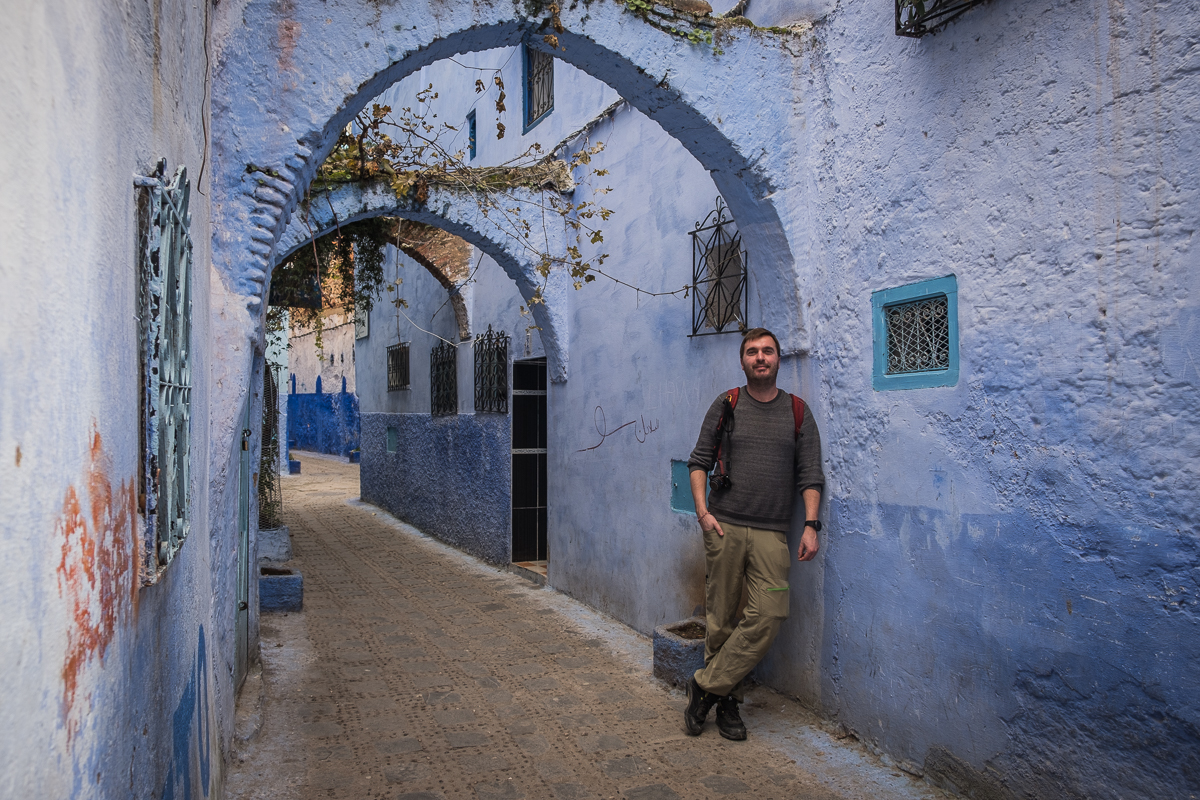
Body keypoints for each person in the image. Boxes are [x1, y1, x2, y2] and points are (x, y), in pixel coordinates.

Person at [684, 327, 824, 740]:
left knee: (770, 612)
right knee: (721, 617)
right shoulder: (726, 404)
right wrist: (703, 514)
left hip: (772, 532)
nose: (760, 357)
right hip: (723, 526)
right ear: (742, 360)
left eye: (767, 351)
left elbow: (811, 474)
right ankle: (727, 703)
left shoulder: (797, 412)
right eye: (752, 352)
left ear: (779, 359)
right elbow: (699, 461)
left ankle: (705, 687)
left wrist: (812, 525)